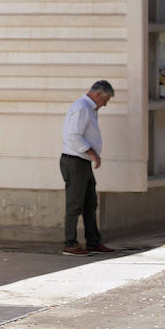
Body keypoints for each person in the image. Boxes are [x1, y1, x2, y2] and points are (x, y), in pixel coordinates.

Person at [59, 80, 116, 256]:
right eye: (105, 100)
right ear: (98, 94)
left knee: (90, 203)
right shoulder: (82, 107)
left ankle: (93, 241)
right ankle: (70, 243)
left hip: (82, 162)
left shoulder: (88, 108)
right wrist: (92, 153)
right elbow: (73, 136)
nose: (105, 104)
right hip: (75, 161)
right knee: (75, 203)